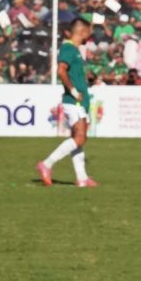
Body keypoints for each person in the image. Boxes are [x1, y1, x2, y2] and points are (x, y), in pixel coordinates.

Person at [37, 16, 98, 188]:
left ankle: (82, 178)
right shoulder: (68, 48)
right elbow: (61, 70)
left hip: (80, 99)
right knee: (79, 138)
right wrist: (73, 90)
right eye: (88, 32)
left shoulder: (76, 50)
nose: (89, 36)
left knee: (78, 139)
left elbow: (70, 72)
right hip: (74, 100)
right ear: (82, 32)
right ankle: (47, 164)